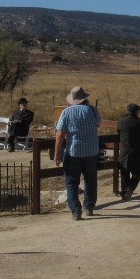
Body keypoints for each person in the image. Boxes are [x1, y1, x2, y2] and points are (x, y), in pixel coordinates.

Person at [54, 86, 101, 221]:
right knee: (90, 180)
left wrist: (57, 154)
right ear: (85, 99)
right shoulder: (93, 110)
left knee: (72, 182)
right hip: (91, 151)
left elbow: (60, 134)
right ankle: (89, 206)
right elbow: (98, 124)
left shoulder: (66, 112)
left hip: (73, 151)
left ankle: (76, 210)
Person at [117, 103, 140, 201]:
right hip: (137, 151)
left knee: (124, 172)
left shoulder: (120, 121)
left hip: (123, 150)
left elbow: (119, 134)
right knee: (138, 172)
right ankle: (130, 189)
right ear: (136, 112)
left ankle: (124, 192)